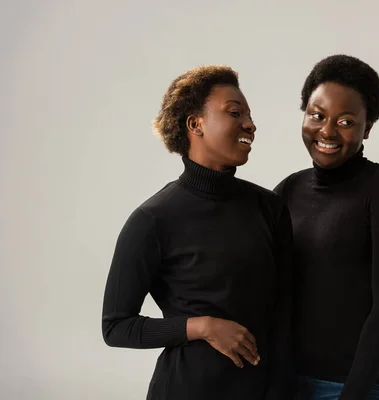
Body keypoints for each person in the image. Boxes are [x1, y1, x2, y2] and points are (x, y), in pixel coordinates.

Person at [101, 65, 293, 399]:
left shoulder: (269, 208)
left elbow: (287, 313)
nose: (250, 124)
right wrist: (201, 327)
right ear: (195, 124)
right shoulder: (153, 219)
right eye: (235, 113)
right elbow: (116, 326)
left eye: (249, 115)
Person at [274, 55, 379, 400]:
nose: (327, 131)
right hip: (289, 383)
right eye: (317, 115)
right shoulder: (287, 191)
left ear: (367, 127)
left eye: (345, 121)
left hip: (359, 386)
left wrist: (353, 395)